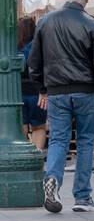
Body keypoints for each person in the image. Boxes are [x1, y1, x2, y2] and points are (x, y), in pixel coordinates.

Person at [27, 0, 94, 214]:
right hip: (85, 91)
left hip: (56, 92)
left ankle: (52, 179)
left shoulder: (46, 22)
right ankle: (82, 196)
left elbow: (33, 62)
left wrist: (42, 88)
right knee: (86, 141)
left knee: (58, 139)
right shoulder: (93, 25)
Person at [18, 17, 47, 152]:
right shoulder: (38, 46)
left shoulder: (14, 47)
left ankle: (22, 157)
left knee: (21, 126)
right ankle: (37, 157)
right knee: (39, 127)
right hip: (37, 92)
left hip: (18, 93)